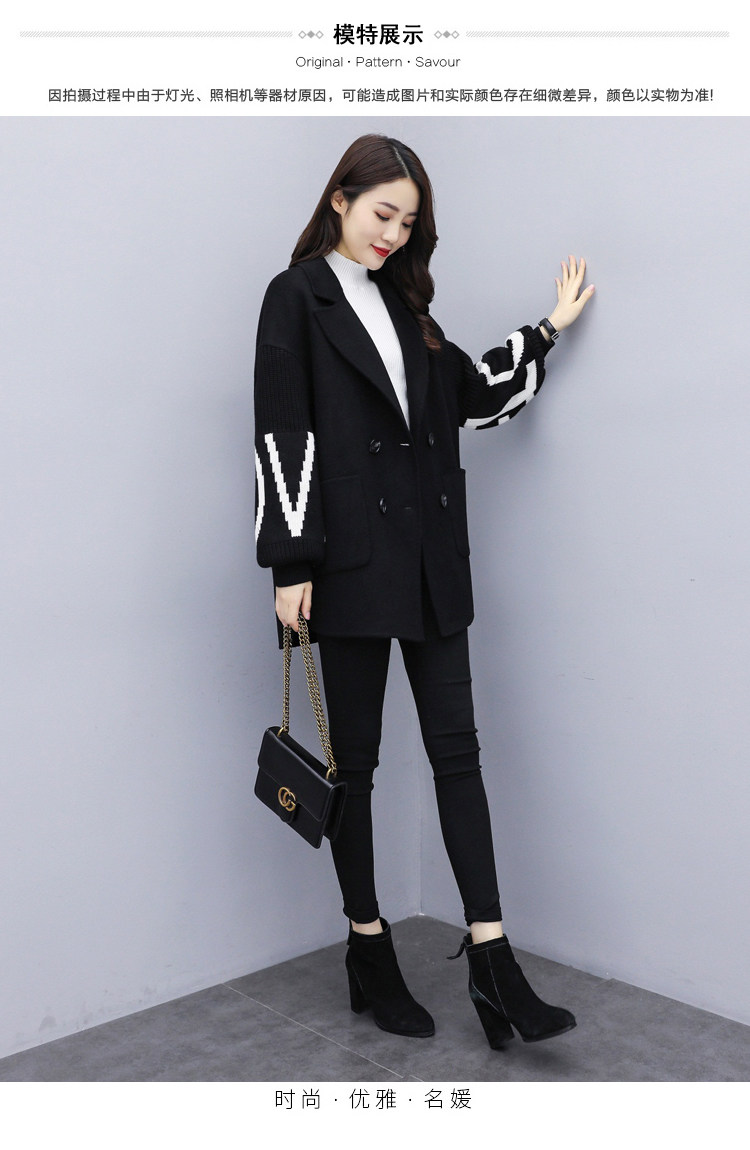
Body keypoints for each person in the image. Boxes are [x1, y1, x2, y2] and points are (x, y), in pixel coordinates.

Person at [254, 134, 594, 1049]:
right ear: (339, 199)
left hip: (432, 562)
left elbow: (471, 397)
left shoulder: (409, 310)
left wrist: (548, 329)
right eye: (382, 214)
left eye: (408, 223)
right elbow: (282, 429)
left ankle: (492, 960)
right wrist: (291, 563)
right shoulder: (296, 296)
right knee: (355, 767)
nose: (393, 235)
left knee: (458, 756)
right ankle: (369, 945)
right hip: (347, 567)